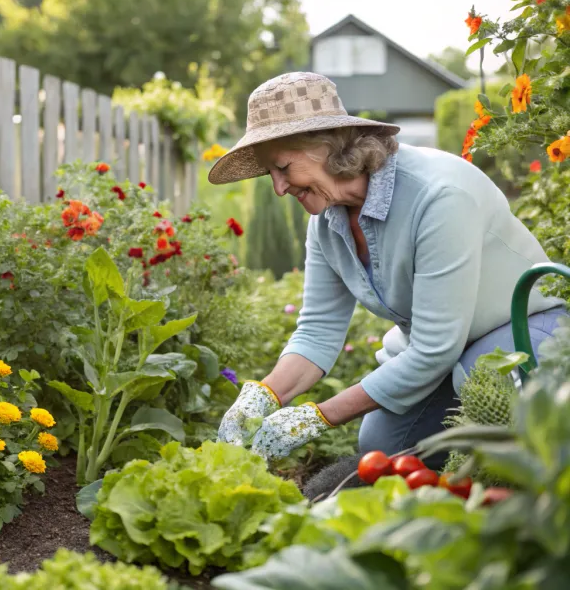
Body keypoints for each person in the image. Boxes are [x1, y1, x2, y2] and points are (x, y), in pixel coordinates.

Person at [210, 72, 566, 465]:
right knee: (382, 445)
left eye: (283, 167)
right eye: (270, 174)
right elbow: (317, 332)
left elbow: (434, 349)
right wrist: (264, 394)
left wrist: (318, 416)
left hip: (528, 330)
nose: (279, 188)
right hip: (449, 349)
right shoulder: (327, 223)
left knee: (483, 382)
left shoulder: (439, 196)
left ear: (325, 147)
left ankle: (516, 493)